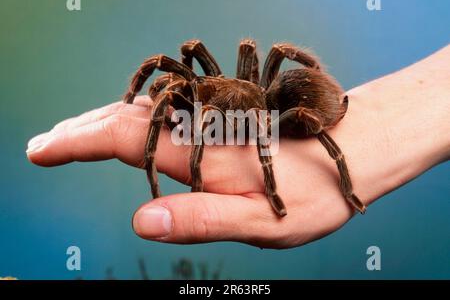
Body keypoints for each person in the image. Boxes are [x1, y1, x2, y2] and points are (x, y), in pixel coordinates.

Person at [26, 45, 450, 249]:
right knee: (171, 64)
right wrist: (127, 105)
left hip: (282, 107)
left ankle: (342, 186)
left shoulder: (251, 114)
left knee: (280, 116)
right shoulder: (211, 84)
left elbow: (252, 128)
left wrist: (269, 189)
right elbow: (174, 67)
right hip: (267, 96)